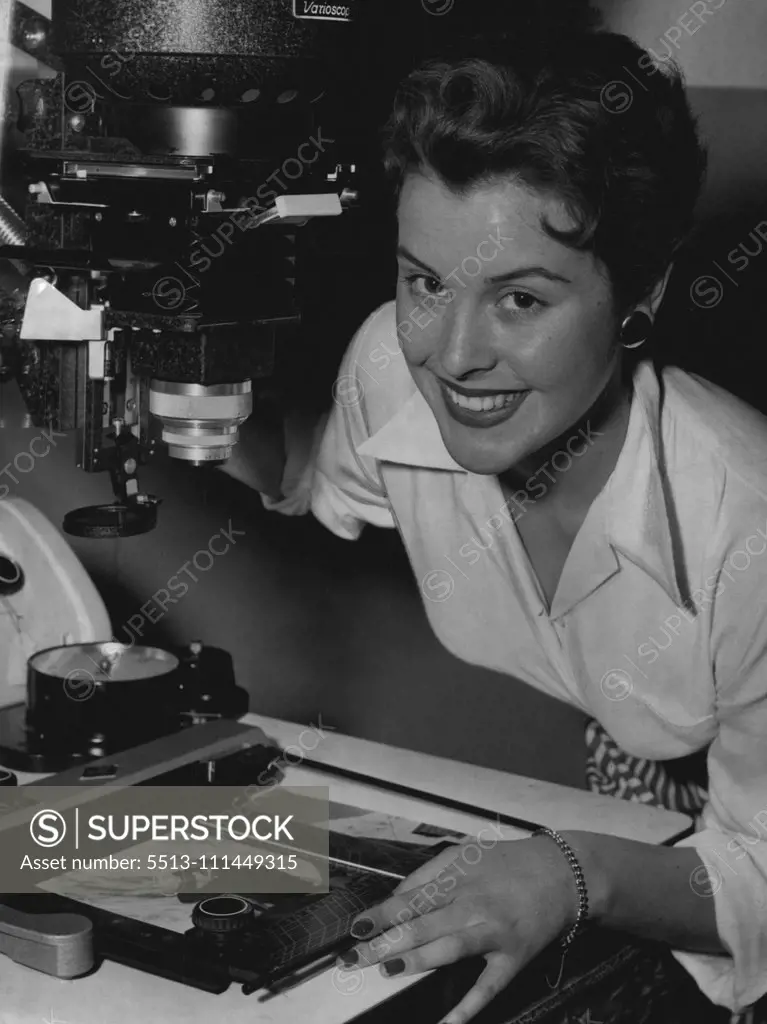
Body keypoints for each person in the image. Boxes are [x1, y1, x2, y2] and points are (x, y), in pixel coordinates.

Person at [223, 28, 767, 1024]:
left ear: (639, 291)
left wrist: (569, 878)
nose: (451, 354)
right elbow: (317, 471)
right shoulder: (393, 362)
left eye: (518, 298)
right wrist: (186, 397)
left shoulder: (746, 529)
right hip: (638, 822)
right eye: (425, 279)